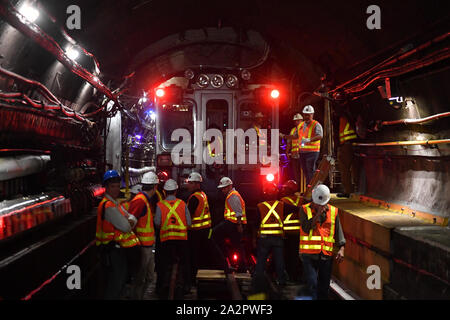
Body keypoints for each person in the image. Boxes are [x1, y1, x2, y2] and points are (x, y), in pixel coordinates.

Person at [95, 170, 140, 299]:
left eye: (117, 186)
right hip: (111, 249)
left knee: (119, 281)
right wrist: (129, 221)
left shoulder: (116, 204)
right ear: (106, 187)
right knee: (116, 282)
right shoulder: (108, 206)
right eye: (112, 186)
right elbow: (127, 226)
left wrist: (129, 221)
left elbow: (133, 219)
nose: (116, 189)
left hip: (118, 249)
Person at [299, 184, 345, 300]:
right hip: (309, 255)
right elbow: (306, 227)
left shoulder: (333, 212)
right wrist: (318, 213)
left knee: (324, 287)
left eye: (322, 204)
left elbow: (338, 231)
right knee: (312, 284)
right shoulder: (304, 209)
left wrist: (341, 248)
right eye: (317, 204)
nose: (320, 206)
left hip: (326, 255)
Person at [253, 183, 298, 287]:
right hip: (278, 238)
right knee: (279, 260)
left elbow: (255, 224)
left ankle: (258, 281)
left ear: (265, 194)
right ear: (276, 193)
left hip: (264, 238)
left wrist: (254, 240)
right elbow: (297, 209)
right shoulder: (282, 205)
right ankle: (281, 280)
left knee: (261, 260)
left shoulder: (260, 206)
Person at [154, 179, 191, 299]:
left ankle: (161, 288)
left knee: (163, 265)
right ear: (176, 191)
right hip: (181, 240)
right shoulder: (182, 204)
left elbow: (157, 223)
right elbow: (189, 223)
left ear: (164, 191)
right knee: (183, 264)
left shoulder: (160, 205)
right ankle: (184, 287)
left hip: (166, 240)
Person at [128, 171, 159, 299]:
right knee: (140, 278)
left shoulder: (145, 200)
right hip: (142, 247)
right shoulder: (140, 201)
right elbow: (129, 223)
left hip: (147, 246)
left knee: (150, 277)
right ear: (155, 187)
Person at [211, 177, 248, 273]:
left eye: (224, 188)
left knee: (214, 235)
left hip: (233, 223)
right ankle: (241, 266)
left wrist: (239, 225)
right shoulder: (232, 195)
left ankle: (232, 264)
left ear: (230, 186)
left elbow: (238, 211)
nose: (223, 190)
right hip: (233, 223)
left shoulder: (233, 196)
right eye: (222, 188)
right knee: (237, 245)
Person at [281, 105, 322, 186]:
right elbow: (294, 138)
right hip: (301, 152)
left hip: (312, 152)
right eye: (305, 114)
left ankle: (312, 189)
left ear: (312, 115)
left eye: (308, 115)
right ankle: (307, 189)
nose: (306, 116)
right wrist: (284, 136)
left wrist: (309, 140)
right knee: (305, 171)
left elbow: (320, 136)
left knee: (310, 170)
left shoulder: (315, 124)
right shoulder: (300, 126)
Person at [185, 172, 212, 287]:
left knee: (193, 256)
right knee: (200, 254)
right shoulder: (202, 195)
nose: (188, 185)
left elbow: (188, 218)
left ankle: (191, 280)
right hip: (204, 230)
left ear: (197, 184)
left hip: (195, 231)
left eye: (190, 183)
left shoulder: (194, 198)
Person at [280, 180, 303, 283]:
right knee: (296, 255)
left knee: (288, 255)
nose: (283, 190)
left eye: (285, 188)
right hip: (299, 232)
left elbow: (280, 217)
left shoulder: (283, 201)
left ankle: (289, 276)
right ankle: (296, 275)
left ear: (290, 190)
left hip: (288, 232)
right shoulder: (301, 200)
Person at [337, 112, 358, 198]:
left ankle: (348, 190)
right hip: (353, 143)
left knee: (344, 168)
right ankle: (356, 188)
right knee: (354, 168)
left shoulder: (344, 116)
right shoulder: (352, 114)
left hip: (346, 144)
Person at [287, 113, 303, 187]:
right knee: (296, 173)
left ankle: (304, 188)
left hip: (302, 155)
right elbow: (289, 142)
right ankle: (298, 187)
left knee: (303, 173)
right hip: (294, 155)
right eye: (295, 121)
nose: (296, 122)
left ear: (301, 121)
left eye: (298, 121)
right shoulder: (293, 130)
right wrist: (287, 152)